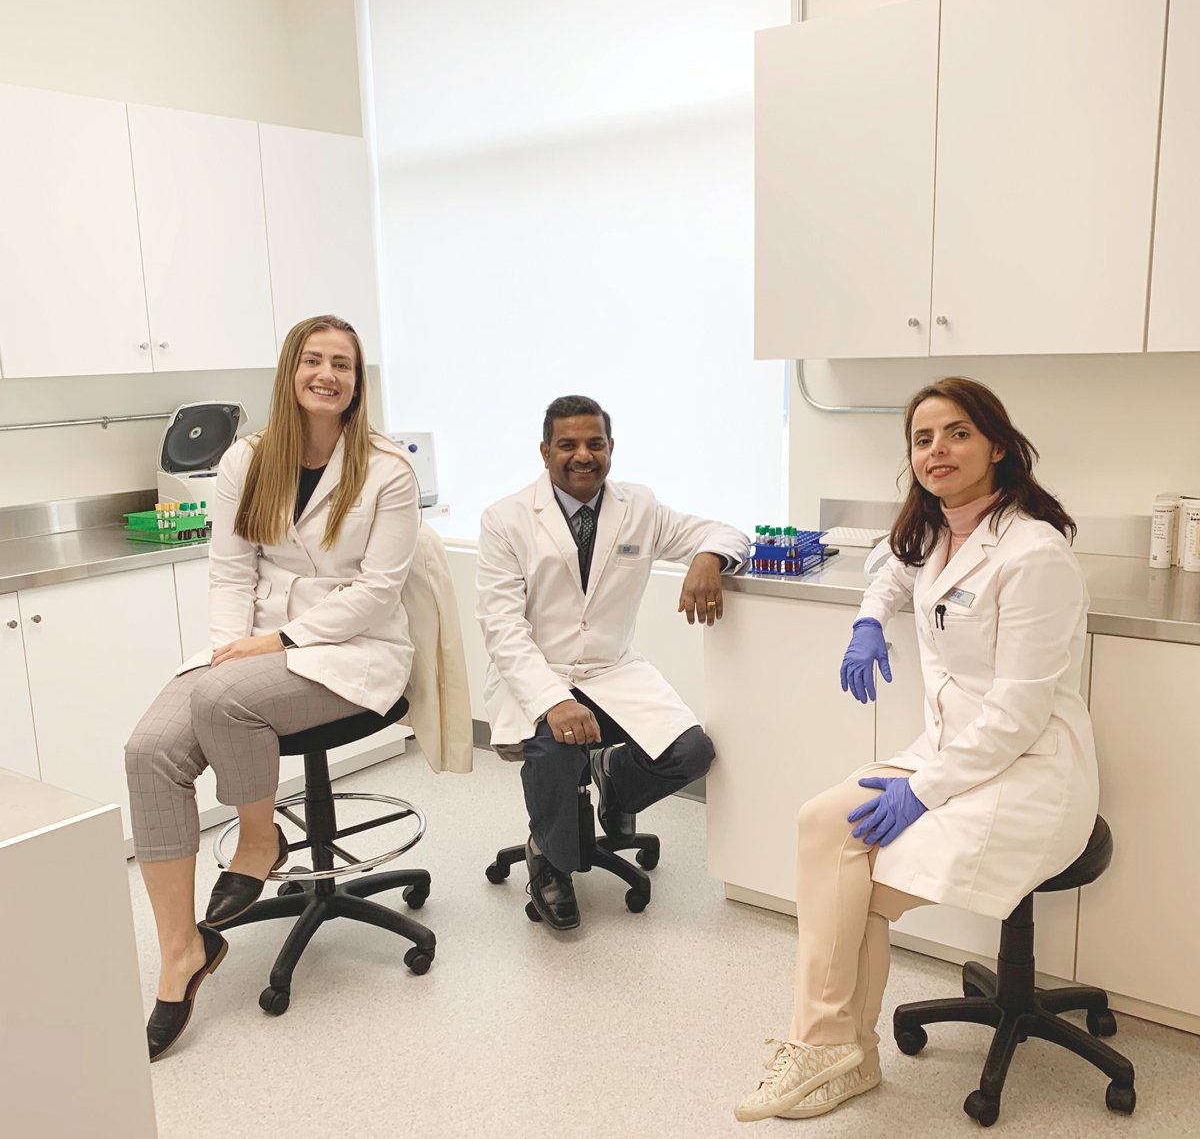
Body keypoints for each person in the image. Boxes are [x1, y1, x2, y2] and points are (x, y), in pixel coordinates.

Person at [734, 377, 1099, 1122]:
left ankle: (834, 1049)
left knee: (855, 877)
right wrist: (868, 623)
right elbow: (892, 570)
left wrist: (922, 792)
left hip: (1026, 772)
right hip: (949, 752)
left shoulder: (1033, 554)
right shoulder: (942, 528)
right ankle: (837, 1049)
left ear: (997, 446)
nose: (938, 450)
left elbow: (1019, 714)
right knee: (820, 821)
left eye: (958, 433)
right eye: (923, 438)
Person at [125, 314, 421, 1061]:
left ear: (358, 382)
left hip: (354, 651)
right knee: (148, 749)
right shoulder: (246, 460)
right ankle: (180, 953)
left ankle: (260, 841)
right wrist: (233, 647)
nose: (328, 375)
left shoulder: (387, 468)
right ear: (291, 370)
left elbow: (380, 592)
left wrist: (277, 642)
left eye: (343, 365)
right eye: (314, 360)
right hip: (250, 645)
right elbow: (231, 570)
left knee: (223, 699)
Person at [476, 395, 749, 930]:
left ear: (610, 448)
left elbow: (727, 532)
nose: (583, 456)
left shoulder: (637, 507)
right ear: (545, 451)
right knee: (555, 748)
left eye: (594, 444)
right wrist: (553, 700)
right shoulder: (506, 518)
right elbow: (502, 627)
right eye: (568, 445)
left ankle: (613, 780)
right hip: (537, 670)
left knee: (691, 752)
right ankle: (549, 861)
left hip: (611, 670)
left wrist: (707, 559)